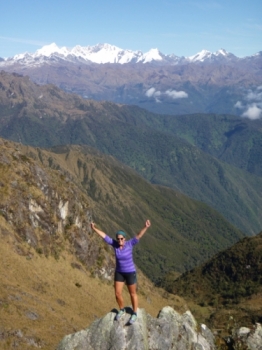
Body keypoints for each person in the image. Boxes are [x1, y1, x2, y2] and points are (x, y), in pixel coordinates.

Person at [90, 219, 151, 324]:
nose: (120, 241)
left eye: (121, 239)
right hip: (119, 272)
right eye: (118, 239)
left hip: (130, 272)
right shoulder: (115, 245)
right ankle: (122, 309)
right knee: (117, 293)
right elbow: (104, 236)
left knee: (132, 293)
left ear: (125, 238)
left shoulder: (130, 244)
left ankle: (134, 313)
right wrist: (94, 228)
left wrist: (145, 227)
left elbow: (139, 236)